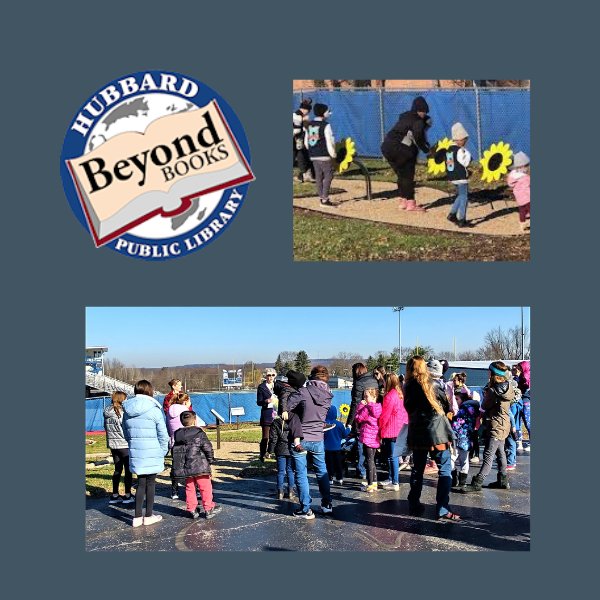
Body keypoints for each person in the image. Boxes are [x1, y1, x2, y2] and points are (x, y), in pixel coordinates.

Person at [403, 356, 459, 520]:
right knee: (444, 470)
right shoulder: (433, 385)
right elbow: (446, 406)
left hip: (417, 433)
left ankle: (413, 501)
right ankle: (442, 507)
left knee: (417, 470)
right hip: (437, 433)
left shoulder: (407, 387)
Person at [461, 362, 515, 493]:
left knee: (488, 454)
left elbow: (484, 406)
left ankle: (478, 482)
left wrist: (483, 397)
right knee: (501, 453)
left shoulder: (493, 391)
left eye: (489, 371)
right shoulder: (508, 387)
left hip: (495, 425)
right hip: (504, 424)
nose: (487, 373)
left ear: (494, 375)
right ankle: (503, 481)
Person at [288, 365, 334, 518]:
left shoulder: (303, 392)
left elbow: (287, 409)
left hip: (300, 438)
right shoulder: (328, 395)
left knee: (301, 473)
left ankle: (305, 508)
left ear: (312, 377)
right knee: (322, 470)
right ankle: (327, 503)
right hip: (318, 438)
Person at [122, 380, 169, 527]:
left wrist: (133, 445)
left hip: (136, 451)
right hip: (153, 450)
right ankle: (148, 515)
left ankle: (137, 517)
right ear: (150, 391)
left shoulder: (127, 410)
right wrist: (162, 451)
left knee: (140, 483)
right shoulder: (154, 410)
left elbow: (125, 432)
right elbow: (163, 434)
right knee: (151, 483)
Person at [381, 96, 432, 211]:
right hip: (400, 148)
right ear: (418, 110)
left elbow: (409, 136)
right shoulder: (418, 121)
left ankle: (402, 200)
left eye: (425, 112)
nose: (423, 113)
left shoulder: (405, 117)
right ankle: (411, 203)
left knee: (401, 174)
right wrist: (426, 150)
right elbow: (418, 137)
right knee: (408, 175)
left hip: (386, 146)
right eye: (422, 111)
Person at [172, 411, 222, 519]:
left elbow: (175, 451)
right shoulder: (199, 433)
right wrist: (210, 460)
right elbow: (207, 447)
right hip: (200, 464)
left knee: (189, 487)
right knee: (205, 487)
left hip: (186, 466)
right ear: (195, 421)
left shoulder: (177, 435)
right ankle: (209, 508)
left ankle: (192, 508)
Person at [346, 363, 379, 483]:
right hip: (374, 416)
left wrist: (350, 422)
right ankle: (370, 471)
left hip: (363, 415)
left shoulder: (359, 383)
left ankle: (361, 470)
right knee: (371, 444)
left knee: (361, 442)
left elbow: (355, 403)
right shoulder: (374, 381)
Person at [103, 391, 134, 505]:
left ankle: (115, 494)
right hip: (123, 444)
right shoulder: (121, 412)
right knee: (128, 470)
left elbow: (105, 426)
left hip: (113, 444)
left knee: (117, 469)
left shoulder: (107, 412)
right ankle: (127, 494)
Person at [379, 372, 408, 491]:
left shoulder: (389, 396)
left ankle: (394, 481)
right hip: (401, 427)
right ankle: (391, 478)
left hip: (392, 428)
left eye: (384, 382)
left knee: (392, 456)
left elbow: (385, 415)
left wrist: (380, 427)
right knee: (393, 455)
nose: (383, 384)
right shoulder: (400, 394)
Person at [305, 103, 337, 206]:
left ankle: (321, 197)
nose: (329, 113)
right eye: (328, 111)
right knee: (329, 175)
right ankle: (324, 199)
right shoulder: (326, 125)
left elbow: (306, 142)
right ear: (323, 113)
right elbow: (330, 141)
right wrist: (333, 153)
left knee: (318, 176)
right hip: (324, 154)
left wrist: (311, 150)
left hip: (313, 155)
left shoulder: (309, 125)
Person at [450, 381, 479, 490]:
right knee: (464, 459)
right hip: (467, 439)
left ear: (462, 399)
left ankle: (454, 477)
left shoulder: (462, 411)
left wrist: (452, 424)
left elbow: (457, 425)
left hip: (458, 439)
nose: (455, 401)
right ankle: (462, 480)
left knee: (451, 458)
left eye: (457, 399)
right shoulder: (472, 410)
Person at [446, 122, 473, 228]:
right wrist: (467, 155)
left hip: (453, 176)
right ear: (459, 139)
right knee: (464, 197)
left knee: (460, 195)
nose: (465, 142)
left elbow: (449, 165)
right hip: (461, 177)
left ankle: (452, 214)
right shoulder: (460, 151)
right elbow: (465, 163)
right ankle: (462, 219)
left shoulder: (449, 150)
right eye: (464, 140)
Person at [355, 387, 382, 492]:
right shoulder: (378, 407)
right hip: (375, 437)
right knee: (372, 460)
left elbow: (358, 418)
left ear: (373, 396)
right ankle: (374, 482)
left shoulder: (367, 407)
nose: (364, 398)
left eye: (366, 396)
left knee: (368, 461)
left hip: (367, 436)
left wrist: (361, 405)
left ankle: (370, 484)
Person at [266, 411, 297, 500]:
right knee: (290, 470)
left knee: (280, 471)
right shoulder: (293, 421)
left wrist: (270, 451)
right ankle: (291, 491)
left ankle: (280, 491)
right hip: (291, 448)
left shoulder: (275, 423)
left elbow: (273, 439)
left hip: (280, 449)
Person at [324, 405, 350, 485]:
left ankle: (330, 478)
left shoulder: (324, 424)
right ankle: (339, 478)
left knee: (329, 464)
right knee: (337, 463)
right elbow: (344, 434)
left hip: (327, 448)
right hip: (337, 447)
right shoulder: (339, 424)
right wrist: (349, 428)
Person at [257, 368, 277, 462]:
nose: (271, 377)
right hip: (267, 413)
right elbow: (259, 402)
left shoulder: (278, 386)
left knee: (277, 436)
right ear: (265, 376)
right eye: (269, 375)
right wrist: (266, 401)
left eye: (273, 375)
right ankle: (262, 454)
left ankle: (274, 454)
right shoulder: (262, 387)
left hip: (277, 412)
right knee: (266, 437)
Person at [507, 151, 530, 232]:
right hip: (527, 198)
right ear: (522, 166)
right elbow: (527, 188)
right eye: (527, 165)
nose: (528, 167)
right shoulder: (525, 178)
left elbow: (513, 186)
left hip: (520, 199)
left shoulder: (513, 176)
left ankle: (522, 224)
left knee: (522, 211)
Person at [293, 97, 315, 183]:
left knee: (302, 156)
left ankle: (303, 175)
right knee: (300, 156)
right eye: (308, 111)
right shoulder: (298, 116)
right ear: (306, 109)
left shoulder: (299, 115)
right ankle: (303, 175)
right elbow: (297, 131)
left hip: (298, 139)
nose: (308, 113)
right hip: (296, 139)